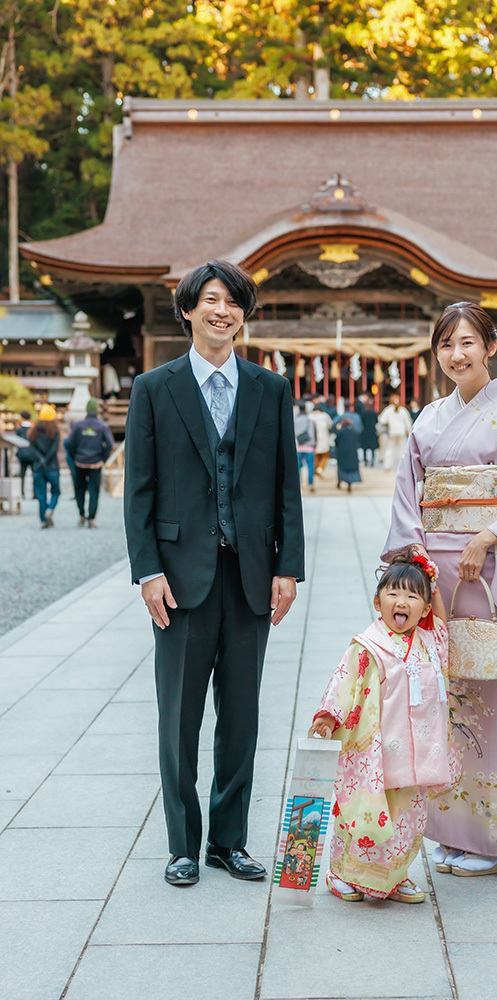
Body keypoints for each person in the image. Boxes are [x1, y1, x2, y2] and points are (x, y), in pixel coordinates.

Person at [124, 259, 305, 887]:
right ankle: (182, 844)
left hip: (251, 574)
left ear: (243, 314)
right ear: (188, 310)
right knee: (179, 717)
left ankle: (229, 842)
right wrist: (147, 571)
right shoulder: (154, 387)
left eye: (232, 302)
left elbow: (287, 485)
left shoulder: (270, 388)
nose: (221, 311)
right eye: (209, 300)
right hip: (179, 579)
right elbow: (139, 490)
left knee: (242, 717)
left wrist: (288, 567)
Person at [383, 301, 497, 876]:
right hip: (438, 574)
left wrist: (487, 536)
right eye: (446, 345)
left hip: (492, 571)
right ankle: (455, 831)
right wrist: (416, 563)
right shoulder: (429, 418)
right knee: (444, 700)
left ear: (490, 346)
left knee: (493, 697)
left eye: (467, 343)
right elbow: (408, 495)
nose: (456, 355)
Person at [312, 547, 460, 902]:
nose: (402, 601)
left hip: (416, 753)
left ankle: (393, 877)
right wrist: (328, 716)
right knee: (363, 814)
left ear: (425, 609)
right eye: (393, 593)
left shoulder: (429, 643)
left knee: (407, 820)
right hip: (375, 752)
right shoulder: (368, 645)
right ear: (378, 602)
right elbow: (345, 682)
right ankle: (341, 872)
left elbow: (442, 626)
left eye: (413, 596)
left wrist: (433, 582)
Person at [66, 398, 115, 528]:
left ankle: (82, 515)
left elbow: (70, 443)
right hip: (95, 463)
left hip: (79, 461)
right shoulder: (102, 426)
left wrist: (74, 456)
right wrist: (103, 458)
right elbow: (110, 444)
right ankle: (91, 518)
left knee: (79, 489)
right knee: (94, 491)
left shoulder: (78, 425)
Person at [27, 404, 61, 529]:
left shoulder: (34, 431)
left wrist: (40, 459)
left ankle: (43, 520)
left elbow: (32, 448)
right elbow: (54, 448)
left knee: (41, 494)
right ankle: (50, 509)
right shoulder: (55, 431)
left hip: (38, 466)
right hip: (52, 466)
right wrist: (47, 459)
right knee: (56, 491)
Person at [378, 393, 413, 470]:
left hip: (392, 432)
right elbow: (407, 423)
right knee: (401, 450)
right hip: (401, 432)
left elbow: (382, 420)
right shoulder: (403, 410)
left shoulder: (388, 410)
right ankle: (400, 466)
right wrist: (409, 433)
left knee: (389, 449)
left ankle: (387, 465)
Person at [334, 417, 361, 493]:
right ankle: (349, 484)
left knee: (341, 468)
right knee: (350, 469)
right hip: (352, 452)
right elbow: (358, 441)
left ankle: (340, 481)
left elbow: (336, 440)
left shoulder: (341, 431)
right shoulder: (354, 431)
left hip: (342, 452)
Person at [294, 401, 316, 491]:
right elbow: (312, 434)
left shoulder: (295, 421)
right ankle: (310, 484)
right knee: (310, 466)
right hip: (309, 446)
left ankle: (299, 483)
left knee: (298, 466)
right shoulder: (309, 421)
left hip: (298, 446)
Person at [310, 403, 333, 477]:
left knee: (315, 455)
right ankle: (320, 468)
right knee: (325, 455)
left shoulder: (310, 416)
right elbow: (330, 425)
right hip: (323, 437)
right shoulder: (324, 416)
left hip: (313, 438)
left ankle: (316, 469)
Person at [15, 410, 34, 499]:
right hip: (32, 454)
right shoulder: (33, 429)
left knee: (22, 474)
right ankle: (35, 493)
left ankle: (21, 492)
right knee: (34, 474)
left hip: (22, 454)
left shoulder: (19, 430)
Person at [358, 395, 380, 467]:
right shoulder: (374, 413)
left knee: (364, 447)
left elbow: (361, 421)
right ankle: (372, 461)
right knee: (372, 448)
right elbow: (376, 421)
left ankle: (365, 461)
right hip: (372, 431)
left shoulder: (363, 413)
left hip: (365, 431)